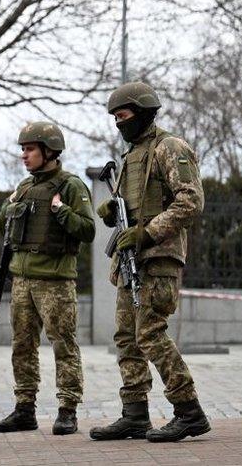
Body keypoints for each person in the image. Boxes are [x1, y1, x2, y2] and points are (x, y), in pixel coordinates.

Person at [90, 82, 210, 443]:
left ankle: (189, 411)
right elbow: (133, 209)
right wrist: (113, 211)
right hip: (132, 261)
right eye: (114, 118)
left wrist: (147, 232)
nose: (118, 124)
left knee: (150, 334)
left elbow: (190, 201)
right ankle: (135, 415)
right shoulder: (131, 156)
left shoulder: (168, 147)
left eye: (123, 116)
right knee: (127, 339)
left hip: (157, 259)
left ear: (142, 113)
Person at [0, 122, 94, 436]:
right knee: (22, 345)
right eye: (23, 149)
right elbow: (2, 229)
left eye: (30, 149)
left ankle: (67, 410)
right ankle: (24, 409)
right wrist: (8, 205)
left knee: (63, 344)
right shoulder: (23, 187)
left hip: (55, 281)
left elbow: (88, 230)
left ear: (49, 151)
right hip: (21, 280)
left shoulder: (71, 185)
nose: (24, 155)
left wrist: (61, 211)